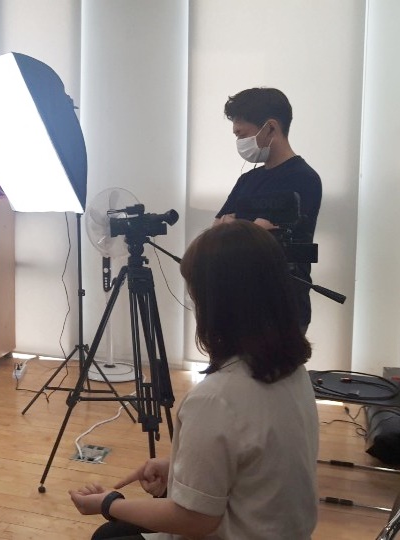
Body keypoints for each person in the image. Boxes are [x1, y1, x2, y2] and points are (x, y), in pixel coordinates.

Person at [69, 220, 319, 540]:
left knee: (107, 535)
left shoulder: (216, 399)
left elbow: (195, 520)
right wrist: (177, 468)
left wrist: (109, 503)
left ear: (217, 305)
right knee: (113, 533)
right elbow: (256, 460)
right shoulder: (293, 372)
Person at [214, 87, 322, 331]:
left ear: (271, 127)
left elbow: (260, 239)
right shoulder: (247, 180)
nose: (239, 142)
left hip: (282, 306)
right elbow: (217, 231)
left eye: (242, 134)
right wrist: (246, 227)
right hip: (238, 300)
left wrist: (235, 225)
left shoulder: (303, 178)